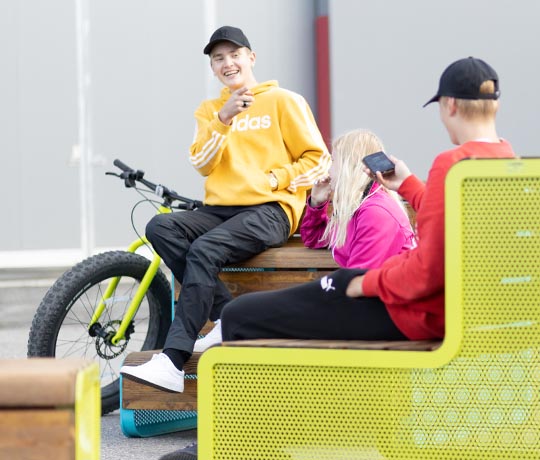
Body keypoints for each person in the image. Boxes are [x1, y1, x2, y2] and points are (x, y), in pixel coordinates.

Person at [156, 55, 516, 460]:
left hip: (409, 310)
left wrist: (364, 282)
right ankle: (259, 442)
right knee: (266, 315)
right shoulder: (504, 161)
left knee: (241, 316)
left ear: (449, 105)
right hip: (446, 312)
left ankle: (236, 446)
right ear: (496, 105)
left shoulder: (451, 164)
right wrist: (411, 187)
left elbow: (425, 275)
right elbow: (452, 224)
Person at [120, 25, 331, 392]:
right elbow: (201, 161)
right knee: (161, 227)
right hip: (221, 209)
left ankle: (172, 361)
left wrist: (274, 180)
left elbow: (319, 160)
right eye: (219, 58)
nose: (227, 63)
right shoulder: (210, 111)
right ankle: (222, 317)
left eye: (235, 54)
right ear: (213, 68)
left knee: (205, 250)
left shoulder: (283, 100)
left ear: (251, 58)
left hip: (271, 210)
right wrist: (223, 119)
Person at [300, 128, 416, 269]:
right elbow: (315, 239)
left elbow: (357, 279)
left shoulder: (375, 213)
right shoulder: (357, 205)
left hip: (385, 289)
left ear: (348, 168)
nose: (328, 170)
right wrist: (316, 203)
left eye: (334, 161)